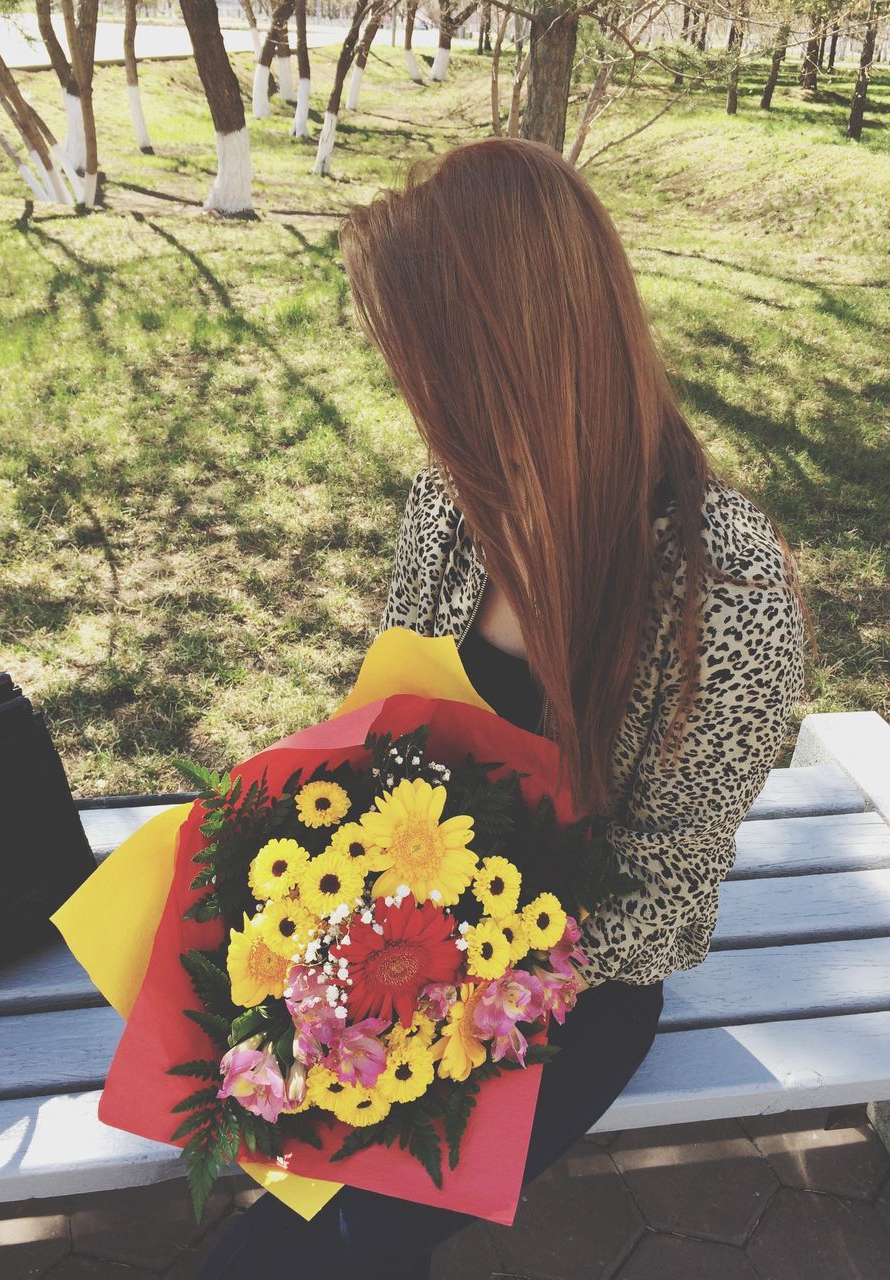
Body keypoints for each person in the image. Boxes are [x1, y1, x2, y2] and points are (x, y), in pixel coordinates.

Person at [197, 137, 807, 1279]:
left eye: (423, 367)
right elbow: (389, 732)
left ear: (510, 362)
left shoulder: (724, 596)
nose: (408, 397)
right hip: (399, 932)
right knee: (250, 1121)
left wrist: (454, 987)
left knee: (319, 1235)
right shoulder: (448, 504)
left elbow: (663, 902)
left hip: (567, 992)